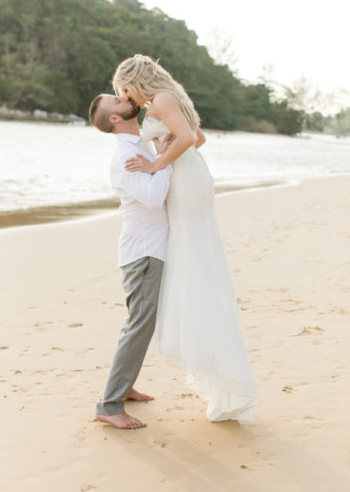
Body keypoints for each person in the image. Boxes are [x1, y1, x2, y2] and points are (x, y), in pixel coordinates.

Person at [112, 54, 260, 422]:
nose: (125, 98)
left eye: (123, 91)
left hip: (187, 184)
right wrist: (172, 154)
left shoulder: (161, 99)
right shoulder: (169, 96)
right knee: (195, 260)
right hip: (191, 178)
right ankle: (216, 366)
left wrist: (155, 163)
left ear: (132, 84)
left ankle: (219, 365)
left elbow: (190, 137)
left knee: (194, 263)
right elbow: (198, 139)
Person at [88, 93, 172, 429]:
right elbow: (152, 198)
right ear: (114, 119)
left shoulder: (139, 145)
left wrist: (160, 156)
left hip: (149, 249)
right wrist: (164, 158)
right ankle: (109, 405)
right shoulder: (125, 153)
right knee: (139, 325)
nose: (125, 96)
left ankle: (125, 387)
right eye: (118, 99)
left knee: (140, 324)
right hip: (144, 253)